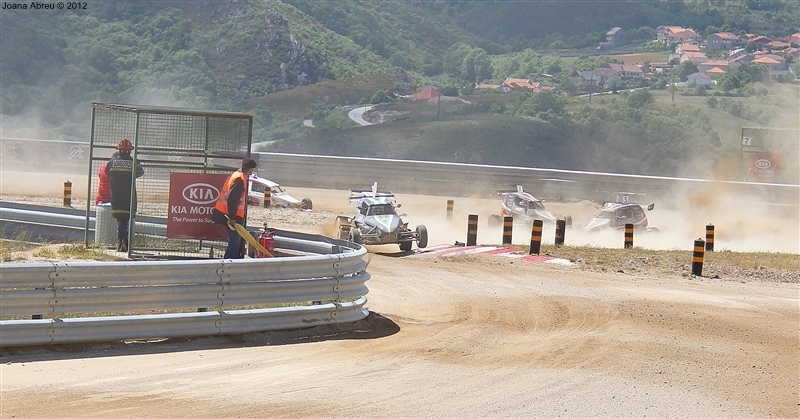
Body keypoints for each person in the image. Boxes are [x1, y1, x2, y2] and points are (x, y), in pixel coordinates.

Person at [212, 158, 258, 259]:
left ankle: (230, 261)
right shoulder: (240, 179)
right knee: (235, 241)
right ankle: (229, 262)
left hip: (228, 214)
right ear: (250, 169)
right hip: (232, 217)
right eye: (252, 169)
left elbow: (235, 197)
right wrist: (232, 217)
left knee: (235, 241)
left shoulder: (237, 175)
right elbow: (232, 199)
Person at [106, 139, 144, 252]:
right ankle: (124, 244)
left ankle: (121, 243)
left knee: (120, 220)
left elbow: (107, 172)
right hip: (129, 196)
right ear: (130, 150)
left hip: (116, 196)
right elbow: (140, 172)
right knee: (126, 220)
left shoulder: (112, 162)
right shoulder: (134, 162)